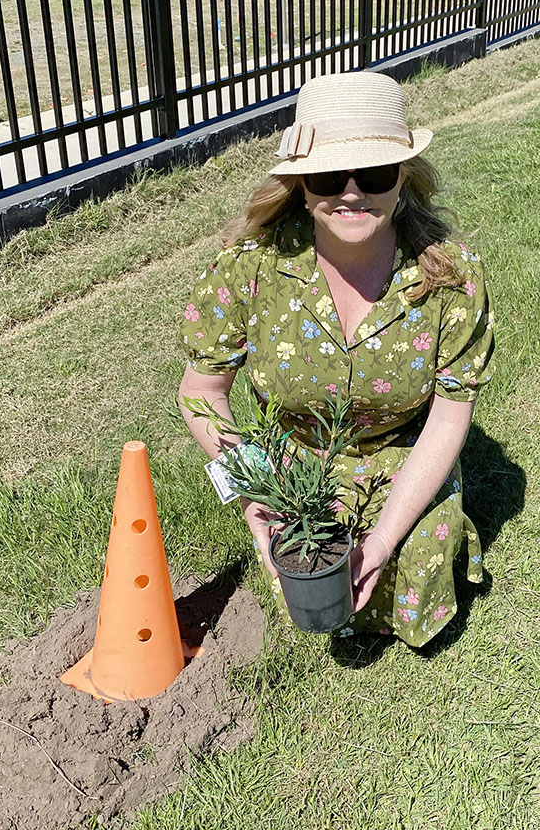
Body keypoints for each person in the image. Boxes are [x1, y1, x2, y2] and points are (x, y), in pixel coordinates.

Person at [178, 71, 495, 646]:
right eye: (328, 175)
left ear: (403, 177)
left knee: (414, 554)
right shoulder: (248, 269)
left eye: (372, 173)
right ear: (300, 183)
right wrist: (255, 497)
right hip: (293, 469)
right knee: (307, 585)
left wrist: (380, 540)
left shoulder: (451, 277)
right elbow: (201, 392)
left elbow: (449, 419)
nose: (351, 192)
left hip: (400, 457)